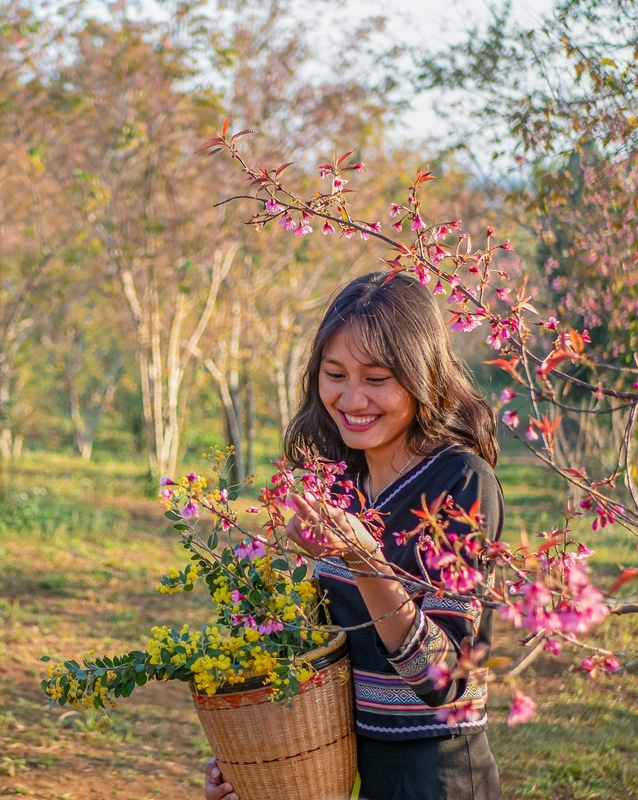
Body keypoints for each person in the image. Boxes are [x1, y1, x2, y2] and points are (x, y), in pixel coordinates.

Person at [205, 271, 504, 800]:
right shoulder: (341, 483)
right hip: (350, 769)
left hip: (435, 776)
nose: (350, 398)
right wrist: (256, 762)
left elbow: (446, 679)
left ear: (421, 376)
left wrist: (364, 560)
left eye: (376, 377)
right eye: (334, 373)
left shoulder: (460, 481)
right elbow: (334, 653)